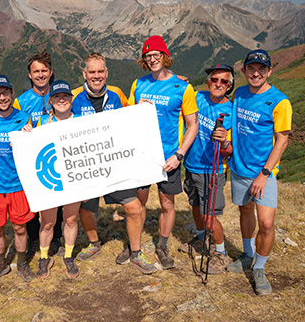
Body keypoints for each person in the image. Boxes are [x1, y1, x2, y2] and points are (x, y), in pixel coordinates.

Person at [73, 53, 157, 274]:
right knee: (85, 208)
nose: (97, 76)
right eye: (92, 72)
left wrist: (140, 109)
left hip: (114, 164)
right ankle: (94, 244)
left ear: (107, 73)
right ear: (84, 73)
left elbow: (129, 116)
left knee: (134, 208)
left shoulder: (117, 95)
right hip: (87, 166)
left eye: (101, 71)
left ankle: (136, 254)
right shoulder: (74, 98)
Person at [127, 36, 199, 270]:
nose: (152, 59)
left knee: (167, 204)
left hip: (169, 156)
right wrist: (136, 109)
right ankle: (133, 245)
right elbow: (127, 115)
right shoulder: (139, 84)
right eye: (147, 56)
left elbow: (193, 125)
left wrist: (179, 155)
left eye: (156, 55)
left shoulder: (182, 87)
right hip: (143, 154)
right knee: (138, 203)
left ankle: (162, 245)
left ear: (165, 57)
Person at [226, 50, 292, 295]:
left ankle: (259, 268)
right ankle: (247, 253)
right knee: (245, 211)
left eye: (261, 69)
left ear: (269, 71)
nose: (256, 73)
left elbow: (282, 140)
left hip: (263, 173)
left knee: (266, 223)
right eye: (251, 68)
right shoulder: (240, 93)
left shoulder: (279, 101)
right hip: (239, 168)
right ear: (243, 71)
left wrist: (264, 173)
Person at [0, 75, 36, 282]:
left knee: (20, 228)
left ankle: (21, 263)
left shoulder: (24, 118)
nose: (2, 97)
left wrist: (30, 135)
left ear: (12, 93)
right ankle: (0, 265)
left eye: (6, 92)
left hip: (18, 185)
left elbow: (35, 147)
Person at [180, 64, 234, 274]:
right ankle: (202, 240)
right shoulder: (197, 97)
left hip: (213, 170)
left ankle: (221, 253)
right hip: (191, 165)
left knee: (209, 215)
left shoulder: (231, 110)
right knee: (195, 206)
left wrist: (223, 144)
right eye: (214, 79)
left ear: (229, 86)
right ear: (208, 81)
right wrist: (178, 81)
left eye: (224, 82)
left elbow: (230, 151)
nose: (218, 84)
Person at [27, 80, 82, 278]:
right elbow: (30, 148)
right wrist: (25, 137)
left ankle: (68, 255)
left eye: (65, 96)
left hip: (74, 179)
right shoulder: (41, 122)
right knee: (48, 222)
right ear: (50, 100)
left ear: (71, 99)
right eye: (57, 97)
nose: (61, 100)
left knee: (70, 218)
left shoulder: (82, 122)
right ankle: (44, 257)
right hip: (49, 179)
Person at [13, 50, 63, 258]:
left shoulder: (61, 96)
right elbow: (14, 127)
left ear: (51, 72)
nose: (40, 75)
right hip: (32, 161)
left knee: (59, 200)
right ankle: (35, 239)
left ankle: (57, 239)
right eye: (36, 71)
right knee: (32, 201)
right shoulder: (21, 101)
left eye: (44, 71)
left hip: (59, 157)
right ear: (30, 75)